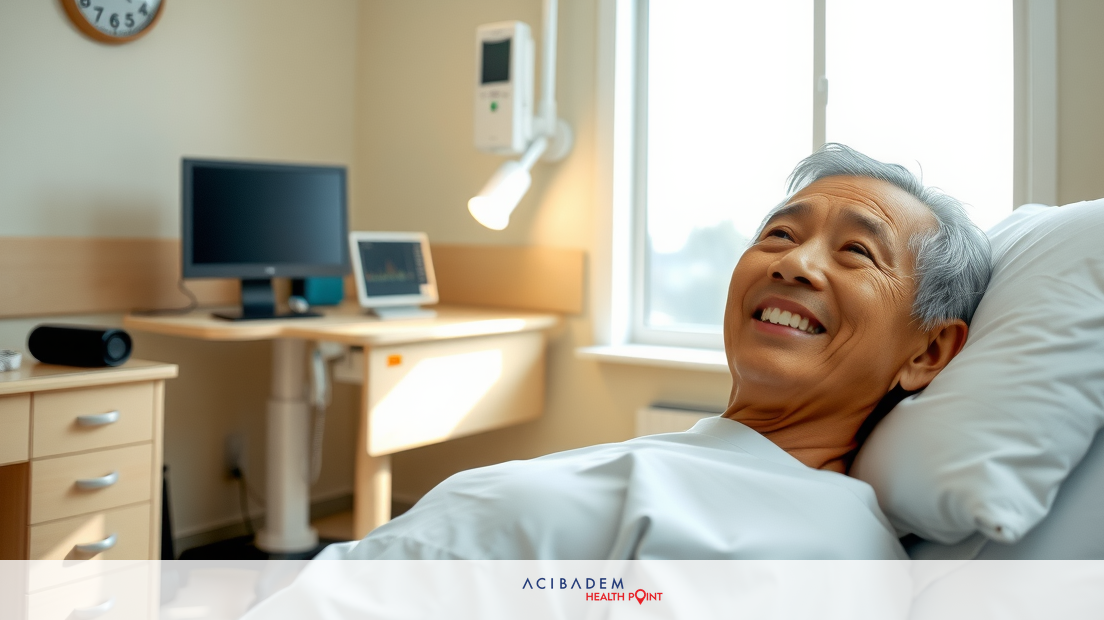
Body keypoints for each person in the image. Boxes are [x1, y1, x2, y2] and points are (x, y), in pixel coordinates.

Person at [327, 144, 993, 559]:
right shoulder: (695, 472)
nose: (795, 262)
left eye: (856, 251)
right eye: (779, 233)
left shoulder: (813, 547)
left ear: (929, 350)